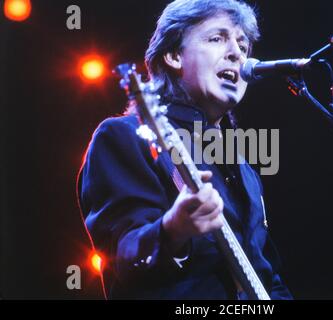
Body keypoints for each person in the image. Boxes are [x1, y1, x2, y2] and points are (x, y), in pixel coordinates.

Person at [77, 0, 292, 300]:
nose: (236, 53)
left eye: (243, 46)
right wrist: (172, 230)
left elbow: (268, 276)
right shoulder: (123, 137)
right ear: (174, 55)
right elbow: (123, 258)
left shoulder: (244, 168)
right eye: (217, 38)